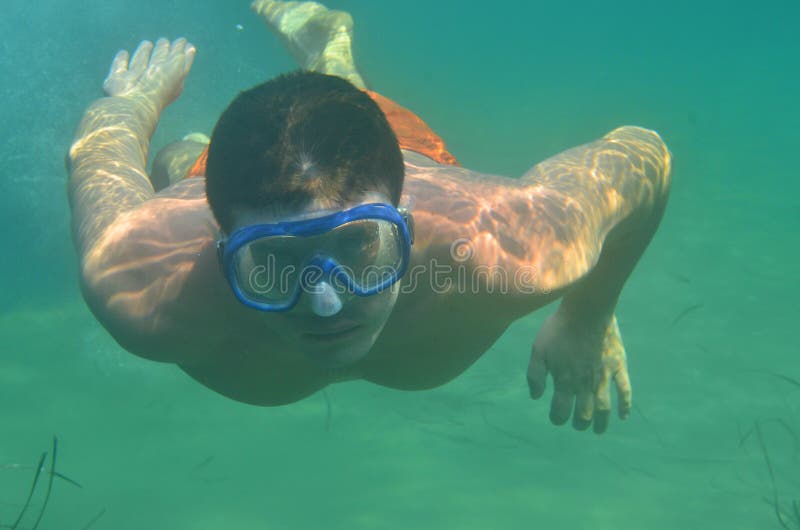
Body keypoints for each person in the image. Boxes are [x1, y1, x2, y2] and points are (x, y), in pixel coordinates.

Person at [67, 0, 671, 434]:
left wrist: (589, 311)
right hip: (210, 184)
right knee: (182, 166)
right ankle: (191, 160)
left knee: (345, 99)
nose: (326, 304)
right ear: (217, 240)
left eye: (358, 246)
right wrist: (134, 101)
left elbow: (645, 155)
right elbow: (99, 157)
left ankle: (329, 46)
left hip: (401, 151)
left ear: (405, 214)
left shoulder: (516, 246)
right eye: (273, 262)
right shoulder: (141, 281)